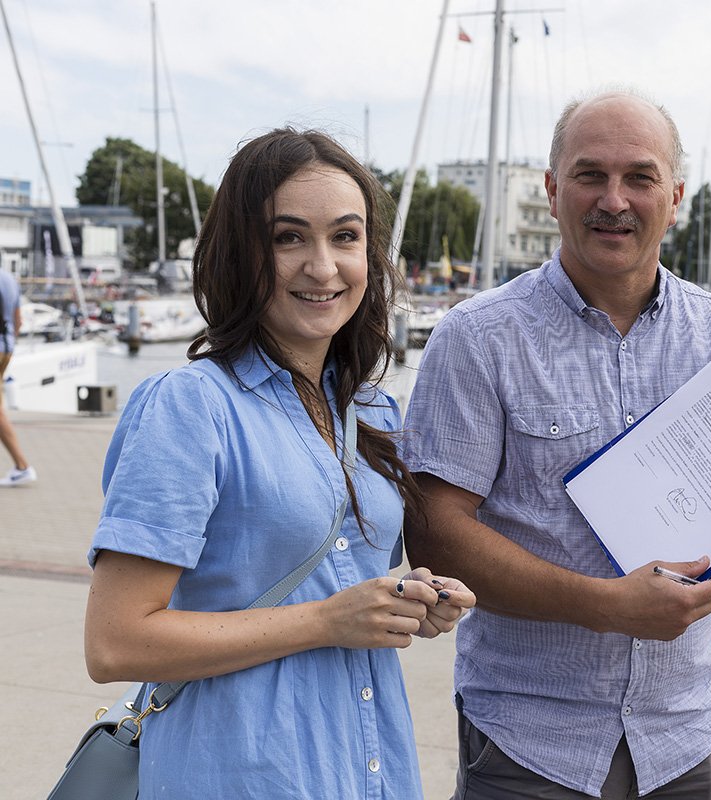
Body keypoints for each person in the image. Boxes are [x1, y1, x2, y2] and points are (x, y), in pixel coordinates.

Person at [403, 89, 711, 799]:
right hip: (530, 745)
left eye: (639, 177)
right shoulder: (476, 339)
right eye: (589, 174)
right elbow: (435, 536)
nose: (614, 199)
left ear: (677, 196)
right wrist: (607, 605)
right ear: (551, 189)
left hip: (687, 737)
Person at [83, 128, 476, 799]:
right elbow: (115, 643)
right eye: (288, 237)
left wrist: (414, 598)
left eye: (346, 237)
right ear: (243, 255)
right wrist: (327, 620)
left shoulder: (373, 411)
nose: (323, 267)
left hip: (367, 769)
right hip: (239, 774)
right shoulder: (190, 408)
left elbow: (344, 580)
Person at [0, 267, 36, 486]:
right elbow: (18, 321)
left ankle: (22, 466)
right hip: (7, 347)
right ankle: (21, 466)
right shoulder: (9, 279)